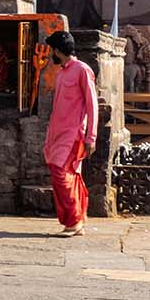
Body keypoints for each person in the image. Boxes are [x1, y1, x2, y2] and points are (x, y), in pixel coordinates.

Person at [43, 29, 99, 236]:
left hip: (73, 134)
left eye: (52, 50)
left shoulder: (82, 70)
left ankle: (74, 221)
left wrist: (90, 137)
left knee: (62, 173)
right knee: (68, 175)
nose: (51, 54)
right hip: (57, 133)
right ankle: (77, 219)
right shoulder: (63, 72)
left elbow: (92, 105)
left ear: (57, 50)